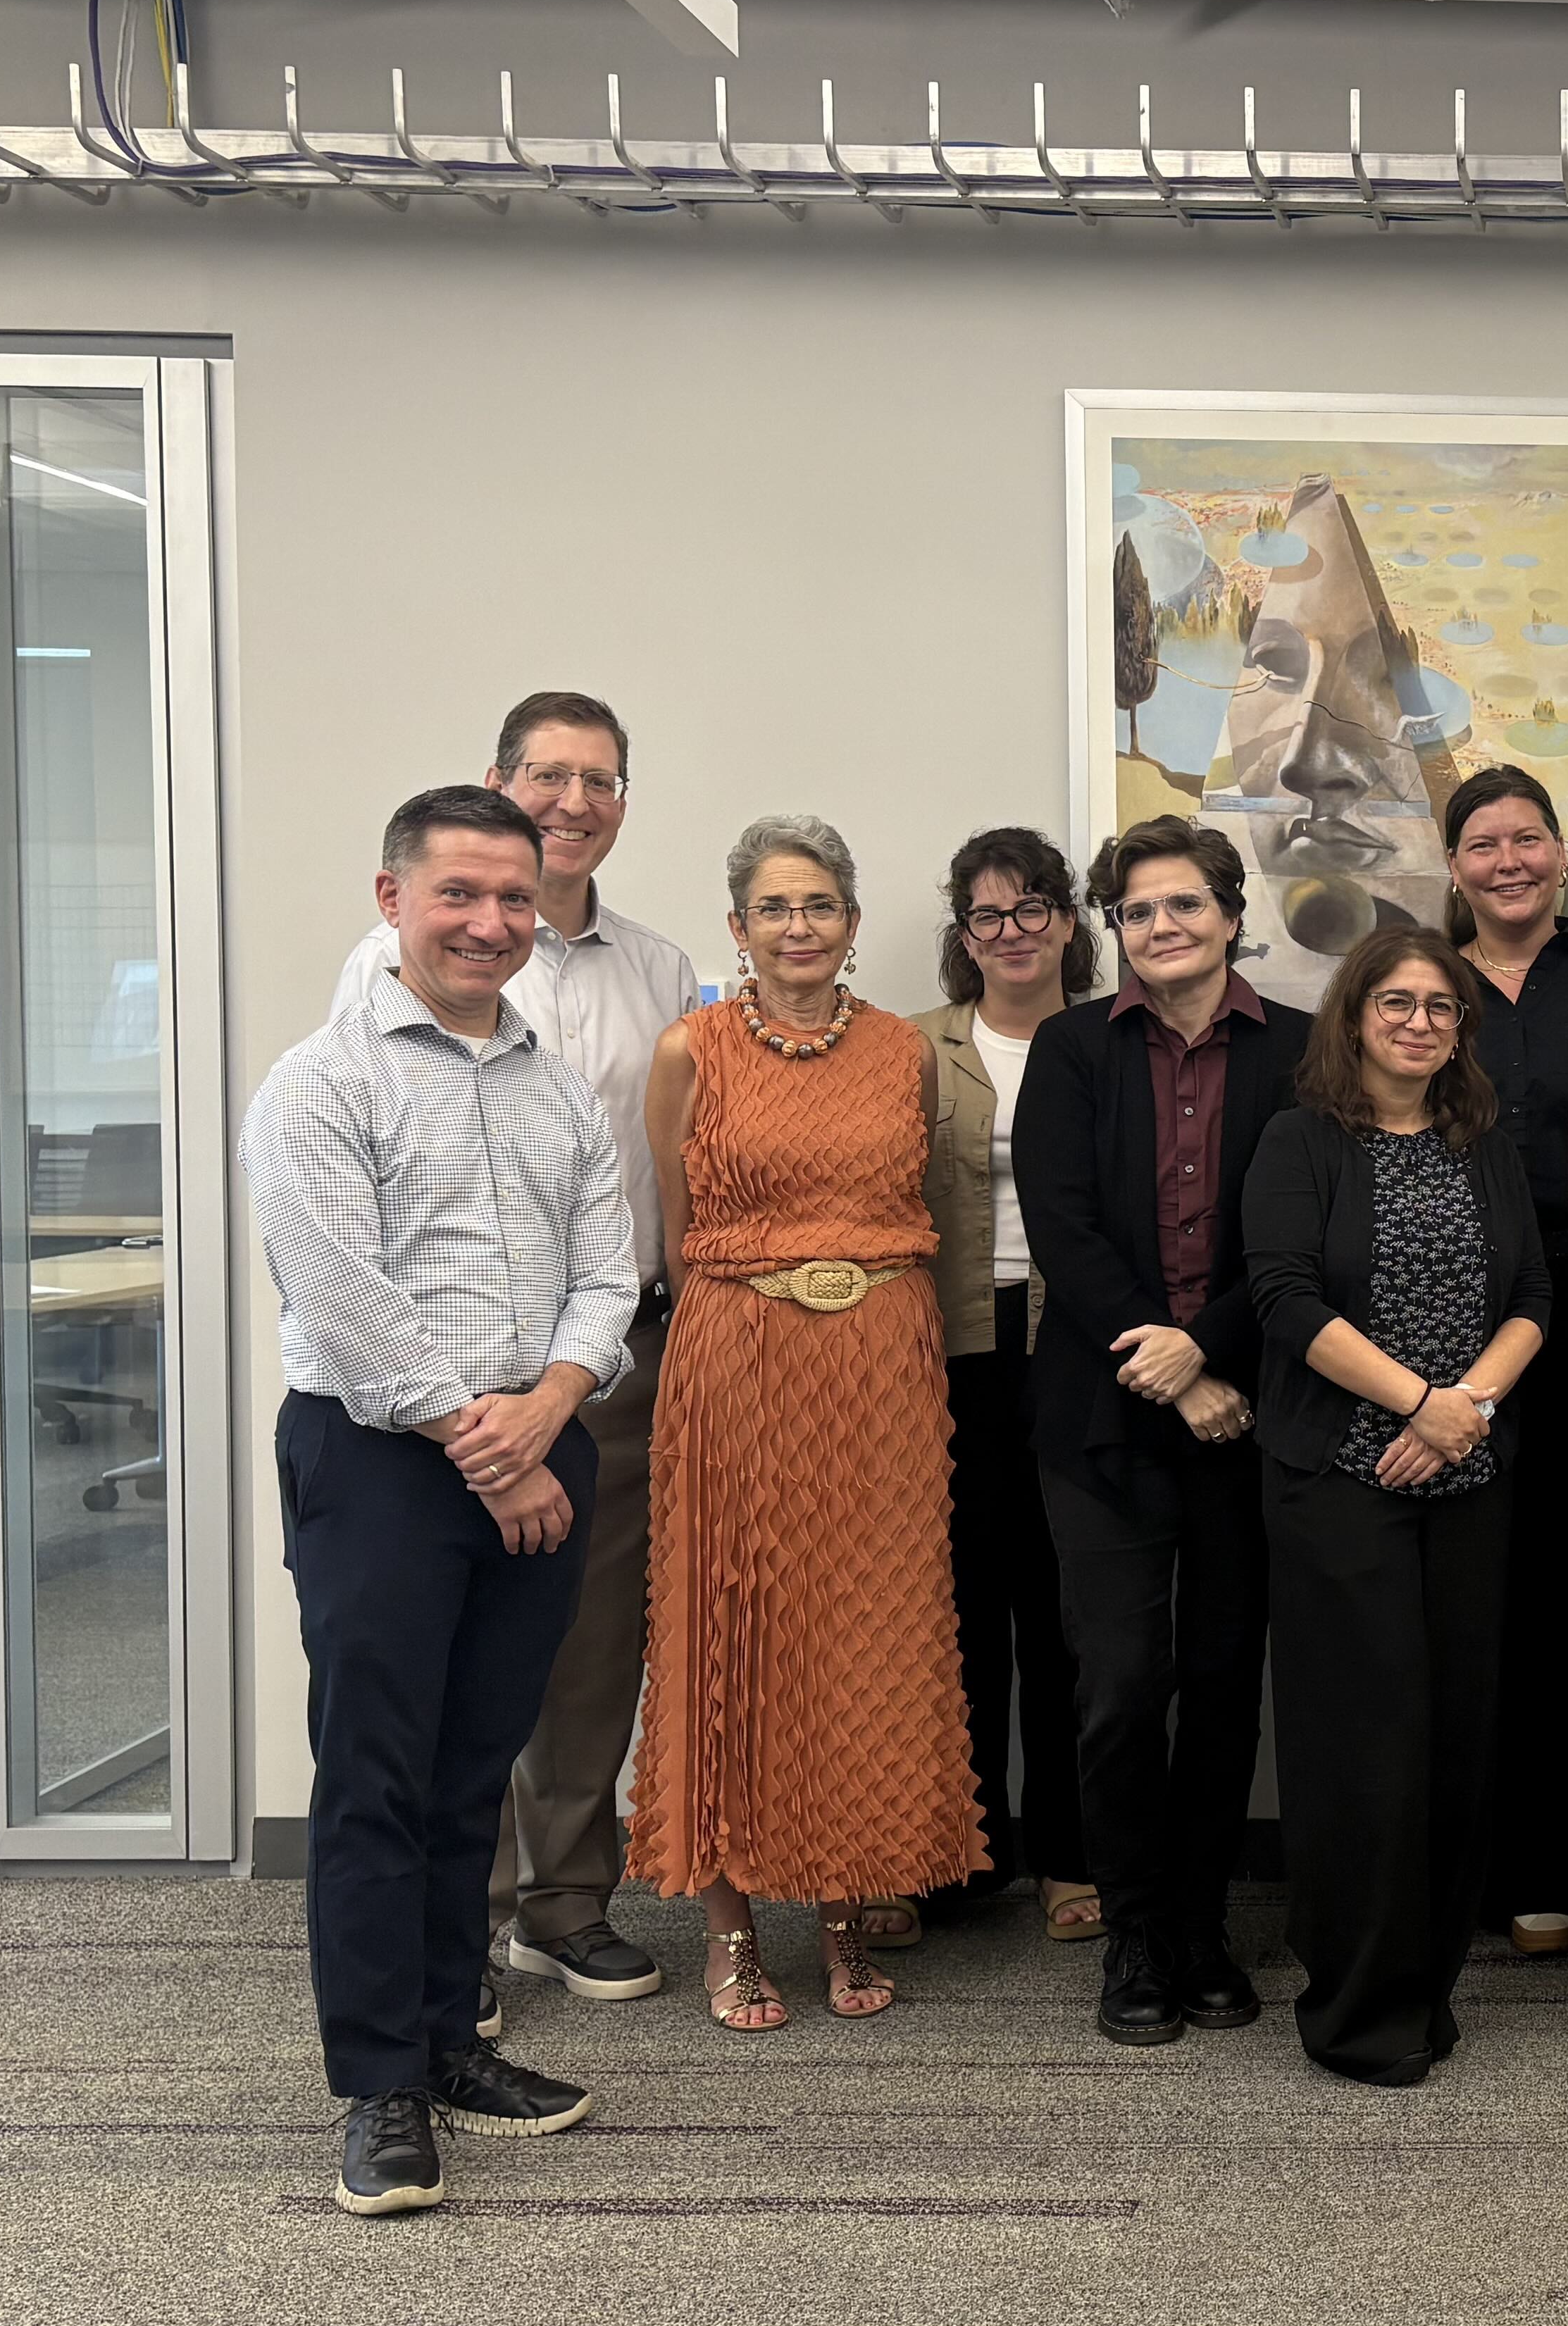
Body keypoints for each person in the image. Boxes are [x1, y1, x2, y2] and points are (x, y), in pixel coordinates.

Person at [251, 785, 637, 2213]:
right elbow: (341, 1295)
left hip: (541, 1452)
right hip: (380, 1466)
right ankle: (378, 2087)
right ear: (392, 900)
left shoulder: (558, 1086)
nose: (489, 923)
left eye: (511, 898)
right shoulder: (323, 1082)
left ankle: (447, 2040)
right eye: (458, 894)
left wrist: (546, 1414)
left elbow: (608, 1272)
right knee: (376, 1777)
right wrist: (493, 1444)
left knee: (474, 1770)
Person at [327, 692, 693, 2022]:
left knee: (588, 1650)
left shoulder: (659, 971)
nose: (574, 801)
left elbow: (650, 1178)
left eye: (601, 778)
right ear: (499, 781)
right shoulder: (408, 961)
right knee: (444, 1661)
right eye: (549, 773)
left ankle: (565, 1903)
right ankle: (460, 1924)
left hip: (606, 1359)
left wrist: (589, 1362)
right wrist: (475, 1411)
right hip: (443, 1382)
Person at [632, 815, 982, 2027]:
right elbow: (681, 1238)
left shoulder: (903, 1052)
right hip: (740, 1356)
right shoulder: (691, 1048)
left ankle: (840, 1907)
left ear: (849, 920)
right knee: (735, 1625)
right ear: (738, 926)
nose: (798, 926)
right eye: (774, 907)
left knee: (854, 1636)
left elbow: (909, 1196)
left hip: (883, 1362)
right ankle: (732, 1931)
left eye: (819, 904)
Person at [1014, 817, 1309, 2050]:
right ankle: (1133, 1926)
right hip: (1102, 1416)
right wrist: (1170, 1364)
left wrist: (1215, 1349)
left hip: (1250, 1408)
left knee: (1224, 1681)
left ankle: (1200, 1925)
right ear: (1116, 931)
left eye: (1184, 904)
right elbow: (1062, 1225)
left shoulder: (1300, 1048)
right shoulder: (1073, 1047)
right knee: (1122, 1684)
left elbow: (1302, 1230)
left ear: (1231, 913)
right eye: (1137, 912)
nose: (1163, 927)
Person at [1245, 926, 1551, 2085]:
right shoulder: (1301, 1138)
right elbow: (1282, 1297)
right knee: (1362, 1752)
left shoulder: (1479, 1143)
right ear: (1354, 1014)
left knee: (1456, 1744)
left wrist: (1465, 1407)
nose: (1422, 1021)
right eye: (1399, 1002)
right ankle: (1357, 2004)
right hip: (1342, 1483)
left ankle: (1425, 1982)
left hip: (1467, 1481)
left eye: (1442, 1006)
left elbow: (1530, 1293)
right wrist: (1420, 1402)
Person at [1440, 764, 1568, 1956]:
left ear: (1563, 855)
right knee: (1464, 1598)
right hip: (1440, 1337)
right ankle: (1473, 1865)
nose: (1508, 858)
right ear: (1452, 863)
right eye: (1483, 841)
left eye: (1528, 838)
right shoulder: (1415, 985)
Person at [912, 828, 1100, 1943]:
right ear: (964, 935)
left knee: (1071, 1612)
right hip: (951, 1350)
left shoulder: (1111, 1038)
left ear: (1069, 925)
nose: (1014, 932)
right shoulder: (912, 1046)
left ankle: (1071, 1857)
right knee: (959, 1610)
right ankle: (960, 1853)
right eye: (990, 915)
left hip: (1078, 1348)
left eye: (1034, 909)